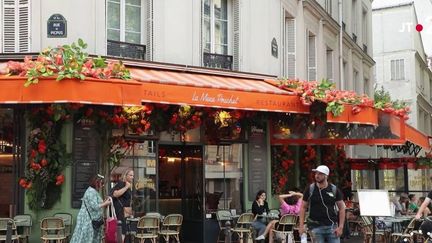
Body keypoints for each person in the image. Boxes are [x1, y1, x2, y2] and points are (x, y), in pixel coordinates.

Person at [298, 165, 345, 243]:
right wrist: (301, 225)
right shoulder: (310, 189)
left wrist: (341, 227)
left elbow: (342, 208)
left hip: (332, 226)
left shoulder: (334, 189)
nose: (317, 175)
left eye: (320, 174)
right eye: (316, 173)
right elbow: (303, 207)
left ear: (326, 176)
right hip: (315, 226)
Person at [70, 174, 112, 243]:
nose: (102, 185)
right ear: (97, 182)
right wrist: (106, 203)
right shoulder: (91, 192)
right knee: (85, 239)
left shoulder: (93, 191)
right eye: (102, 183)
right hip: (87, 220)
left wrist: (104, 202)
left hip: (90, 220)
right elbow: (95, 206)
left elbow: (96, 204)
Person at [111, 168, 134, 241]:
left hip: (124, 212)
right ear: (126, 175)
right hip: (119, 211)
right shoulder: (122, 183)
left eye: (133, 175)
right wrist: (126, 187)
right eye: (130, 175)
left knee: (123, 231)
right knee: (121, 232)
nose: (132, 177)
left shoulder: (128, 185)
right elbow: (115, 194)